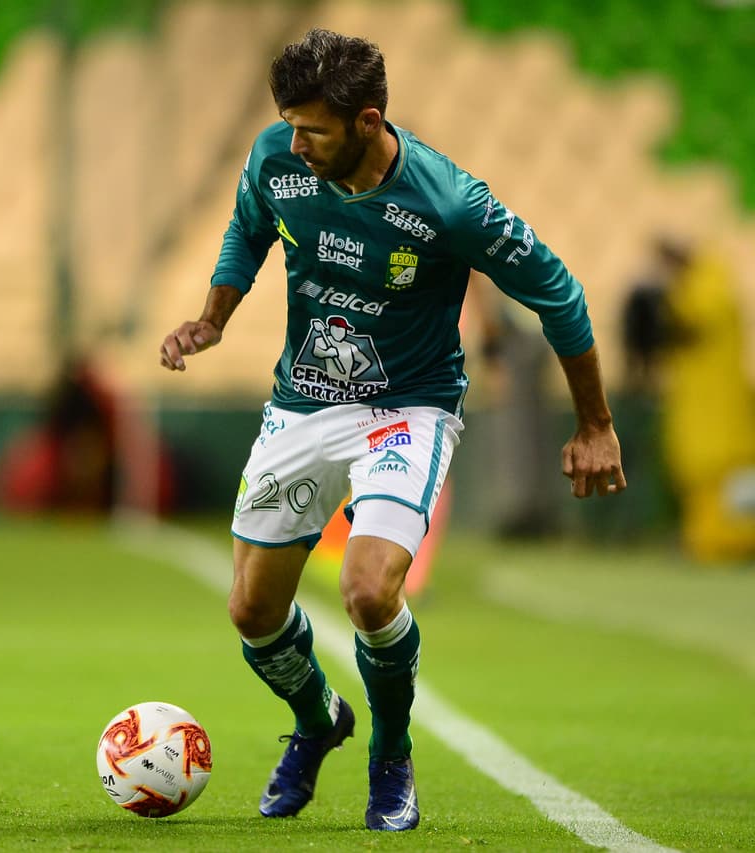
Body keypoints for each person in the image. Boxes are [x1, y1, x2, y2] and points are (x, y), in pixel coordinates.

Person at [159, 29, 625, 832]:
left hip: (408, 407)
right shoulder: (278, 157)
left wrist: (596, 424)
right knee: (251, 613)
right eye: (290, 125)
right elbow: (250, 225)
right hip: (303, 401)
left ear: (368, 122)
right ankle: (316, 721)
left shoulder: (449, 202)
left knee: (370, 590)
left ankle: (392, 749)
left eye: (315, 130)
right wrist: (213, 318)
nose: (294, 143)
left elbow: (560, 293)